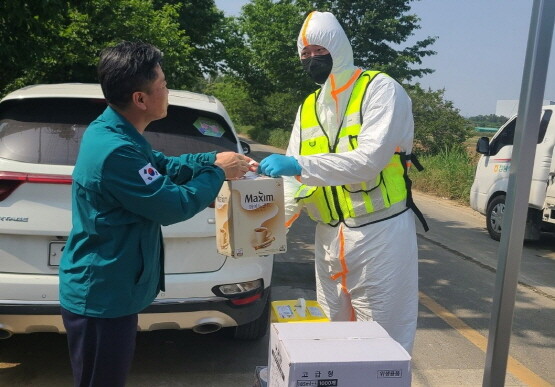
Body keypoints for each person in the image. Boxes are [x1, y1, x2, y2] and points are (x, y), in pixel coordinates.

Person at [59, 41, 257, 387]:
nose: (168, 91)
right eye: (163, 85)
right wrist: (217, 174)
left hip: (114, 290)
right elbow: (172, 205)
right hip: (101, 296)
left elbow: (163, 167)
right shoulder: (115, 149)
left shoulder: (120, 133)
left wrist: (211, 160)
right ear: (140, 99)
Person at [258, 11, 427, 354]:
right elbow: (292, 182)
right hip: (328, 236)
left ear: (337, 47)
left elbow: (369, 160)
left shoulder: (380, 89)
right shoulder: (308, 108)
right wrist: (270, 229)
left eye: (317, 50)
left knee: (382, 338)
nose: (310, 59)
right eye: (304, 54)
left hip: (379, 233)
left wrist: (298, 164)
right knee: (333, 335)